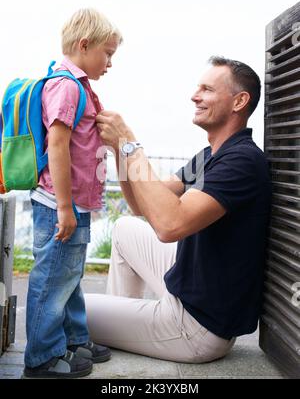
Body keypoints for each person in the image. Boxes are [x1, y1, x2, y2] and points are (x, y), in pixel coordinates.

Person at [85, 56, 272, 363]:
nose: (194, 96)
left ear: (239, 101)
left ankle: (121, 326)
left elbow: (169, 225)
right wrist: (121, 151)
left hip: (195, 327)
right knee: (124, 229)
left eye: (207, 89)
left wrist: (131, 144)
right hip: (187, 285)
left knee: (69, 308)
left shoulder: (242, 162)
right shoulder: (211, 155)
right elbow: (143, 205)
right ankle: (123, 323)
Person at [23, 9, 122, 378]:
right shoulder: (66, 85)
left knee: (69, 275)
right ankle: (42, 358)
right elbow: (59, 146)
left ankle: (73, 339)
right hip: (58, 204)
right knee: (51, 279)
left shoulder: (80, 86)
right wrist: (64, 207)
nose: (110, 62)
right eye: (107, 53)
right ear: (84, 45)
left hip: (73, 204)